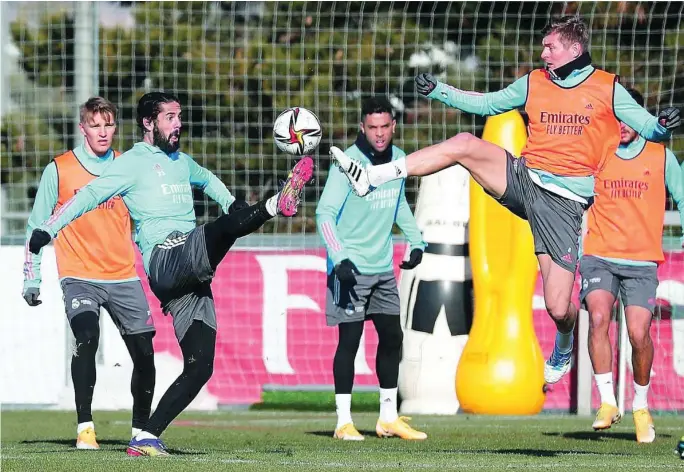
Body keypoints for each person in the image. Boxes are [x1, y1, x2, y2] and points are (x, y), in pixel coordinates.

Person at [328, 16, 681, 385]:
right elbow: (489, 104)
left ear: (574, 50)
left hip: (563, 207)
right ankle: (371, 176)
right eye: (543, 45)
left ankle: (563, 343)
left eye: (550, 46)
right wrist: (439, 90)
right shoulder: (535, 82)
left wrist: (664, 122)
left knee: (559, 307)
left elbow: (650, 128)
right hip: (524, 179)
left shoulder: (607, 88)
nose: (543, 52)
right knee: (464, 143)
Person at [28, 92, 314, 456]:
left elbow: (208, 179)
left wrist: (229, 203)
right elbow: (88, 196)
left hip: (191, 278)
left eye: (179, 117)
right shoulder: (131, 163)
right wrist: (49, 230)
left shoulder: (180, 161)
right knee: (218, 231)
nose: (178, 124)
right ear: (148, 123)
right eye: (170, 118)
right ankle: (275, 204)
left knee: (200, 366)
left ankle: (146, 435)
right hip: (166, 258)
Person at [22, 97, 156, 450]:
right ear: (83, 128)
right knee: (87, 337)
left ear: (116, 128)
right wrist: (31, 278)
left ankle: (141, 431)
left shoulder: (127, 168)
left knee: (144, 353)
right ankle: (85, 428)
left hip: (124, 276)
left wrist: (156, 265)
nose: (102, 132)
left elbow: (141, 224)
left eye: (108, 125)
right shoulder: (60, 169)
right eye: (94, 125)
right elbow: (37, 227)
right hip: (78, 274)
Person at [317, 97, 427, 441]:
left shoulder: (397, 161)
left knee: (393, 337)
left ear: (394, 126)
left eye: (385, 127)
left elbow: (399, 207)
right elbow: (324, 214)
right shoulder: (347, 164)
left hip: (381, 269)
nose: (379, 134)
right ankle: (343, 422)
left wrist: (417, 242)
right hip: (348, 269)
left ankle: (388, 418)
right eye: (372, 127)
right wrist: (339, 258)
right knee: (349, 341)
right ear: (362, 128)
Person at [581, 88, 684, 443]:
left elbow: (682, 195)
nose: (621, 124)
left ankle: (640, 405)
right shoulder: (596, 154)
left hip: (641, 261)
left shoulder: (661, 156)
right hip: (599, 253)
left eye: (628, 116)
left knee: (639, 334)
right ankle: (607, 401)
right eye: (615, 116)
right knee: (597, 318)